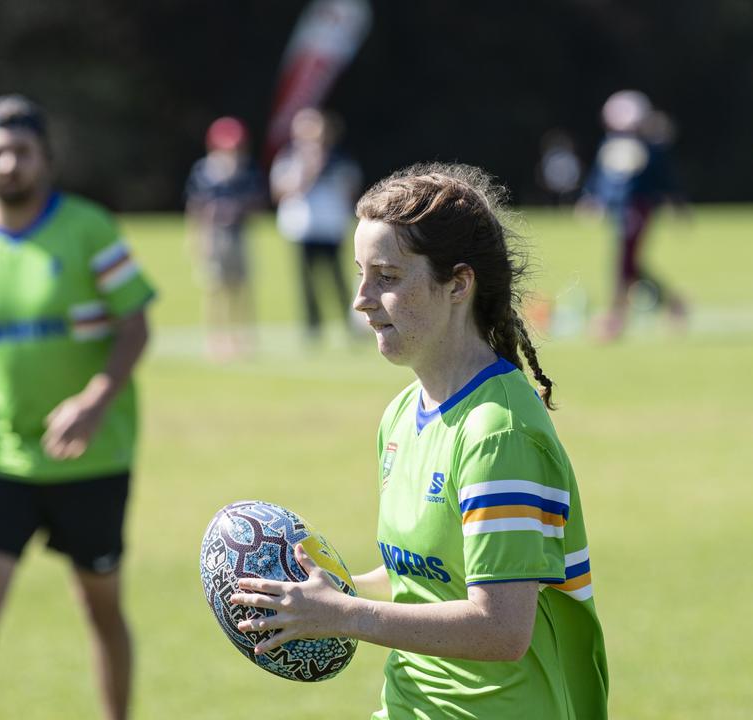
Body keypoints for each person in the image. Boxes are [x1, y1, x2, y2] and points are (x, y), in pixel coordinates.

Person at [230, 164, 608, 719]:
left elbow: (502, 628)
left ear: (457, 284)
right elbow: (421, 578)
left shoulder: (497, 433)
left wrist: (342, 616)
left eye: (387, 277)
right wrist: (322, 593)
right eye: (360, 273)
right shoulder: (404, 414)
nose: (361, 299)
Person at [0, 95, 155, 720]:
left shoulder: (89, 229)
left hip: (92, 457)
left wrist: (96, 399)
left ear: (46, 160)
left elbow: (135, 325)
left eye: (22, 151)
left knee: (99, 607)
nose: (9, 163)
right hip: (1, 456)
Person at [579, 90, 688, 342]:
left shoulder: (649, 148)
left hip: (638, 209)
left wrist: (676, 204)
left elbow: (663, 179)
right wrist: (593, 197)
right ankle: (673, 303)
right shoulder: (609, 145)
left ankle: (616, 318)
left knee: (624, 264)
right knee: (632, 265)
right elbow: (601, 178)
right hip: (620, 211)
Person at [269, 107, 361, 344]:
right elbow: (281, 190)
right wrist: (309, 165)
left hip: (331, 227)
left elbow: (351, 187)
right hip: (302, 229)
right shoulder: (289, 157)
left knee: (337, 278)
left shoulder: (339, 158)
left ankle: (348, 324)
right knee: (306, 282)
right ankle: (312, 327)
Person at [185, 116, 263, 359]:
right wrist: (195, 238)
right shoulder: (203, 171)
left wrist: (238, 208)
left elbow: (257, 203)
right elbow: (194, 207)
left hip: (238, 234)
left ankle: (243, 336)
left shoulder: (246, 170)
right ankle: (215, 338)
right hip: (213, 234)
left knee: (240, 287)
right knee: (214, 288)